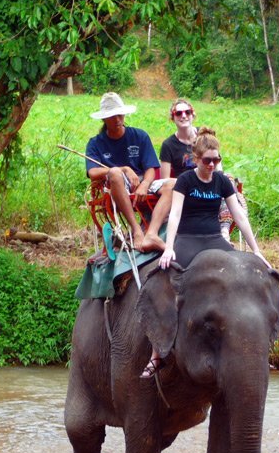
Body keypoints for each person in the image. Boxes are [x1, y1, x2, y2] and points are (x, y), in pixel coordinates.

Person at [141, 127, 268, 378]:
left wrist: (256, 250)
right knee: (170, 282)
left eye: (216, 159)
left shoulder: (221, 182)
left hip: (213, 239)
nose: (212, 164)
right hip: (188, 239)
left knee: (242, 278)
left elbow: (239, 216)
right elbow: (175, 213)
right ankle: (157, 353)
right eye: (207, 160)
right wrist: (169, 248)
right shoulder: (186, 180)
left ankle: (252, 348)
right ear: (196, 159)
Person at [85, 92, 161, 250]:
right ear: (104, 119)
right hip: (115, 184)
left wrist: (145, 184)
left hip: (141, 181)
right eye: (112, 116)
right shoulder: (95, 143)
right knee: (114, 172)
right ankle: (136, 229)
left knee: (173, 184)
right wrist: (124, 169)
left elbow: (151, 168)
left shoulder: (140, 136)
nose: (118, 119)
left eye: (120, 114)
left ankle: (153, 232)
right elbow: (92, 173)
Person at [139, 99, 199, 252]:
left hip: (206, 180)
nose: (183, 116)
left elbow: (216, 163)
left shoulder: (204, 136)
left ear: (193, 115)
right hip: (183, 185)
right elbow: (165, 179)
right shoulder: (168, 145)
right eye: (178, 113)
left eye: (187, 112)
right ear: (173, 117)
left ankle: (223, 234)